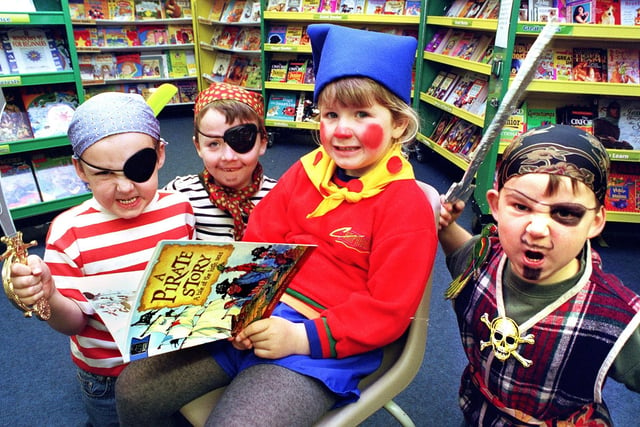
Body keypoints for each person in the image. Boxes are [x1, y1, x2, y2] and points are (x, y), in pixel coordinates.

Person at [115, 24, 438, 426]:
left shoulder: (405, 205)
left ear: (400, 126)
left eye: (362, 114)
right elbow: (259, 243)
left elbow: (387, 310)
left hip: (322, 343)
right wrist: (241, 309)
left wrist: (298, 337)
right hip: (259, 313)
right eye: (331, 114)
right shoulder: (306, 172)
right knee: (134, 389)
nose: (341, 130)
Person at [7, 92, 195, 427]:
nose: (124, 187)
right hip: (107, 375)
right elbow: (74, 322)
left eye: (138, 167)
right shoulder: (69, 233)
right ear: (79, 169)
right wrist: (49, 295)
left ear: (160, 155)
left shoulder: (179, 209)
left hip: (169, 358)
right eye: (105, 173)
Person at [438, 124, 640, 425]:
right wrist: (444, 225)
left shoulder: (620, 318)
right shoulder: (479, 261)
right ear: (495, 205)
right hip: (479, 412)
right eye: (520, 206)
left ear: (596, 221)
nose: (536, 229)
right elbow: (460, 252)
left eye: (565, 213)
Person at [164, 82, 276, 241]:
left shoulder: (279, 197)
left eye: (242, 141)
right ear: (198, 146)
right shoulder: (180, 194)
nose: (228, 157)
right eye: (214, 144)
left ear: (263, 143)